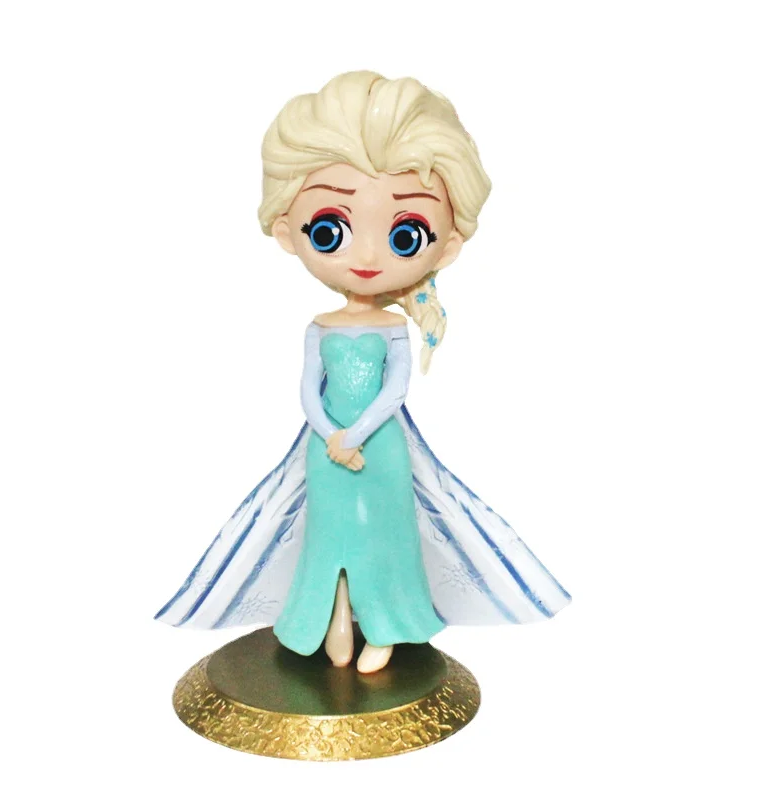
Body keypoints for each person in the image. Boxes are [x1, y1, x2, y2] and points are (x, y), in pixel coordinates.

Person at [155, 71, 570, 674]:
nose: (369, 256)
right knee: (329, 537)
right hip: (328, 452)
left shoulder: (393, 329)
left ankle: (388, 625)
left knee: (384, 538)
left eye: (405, 234)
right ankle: (331, 620)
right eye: (332, 230)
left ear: (447, 245)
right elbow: (307, 389)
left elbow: (396, 391)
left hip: (378, 449)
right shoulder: (320, 327)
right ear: (286, 230)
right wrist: (330, 434)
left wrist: (354, 434)